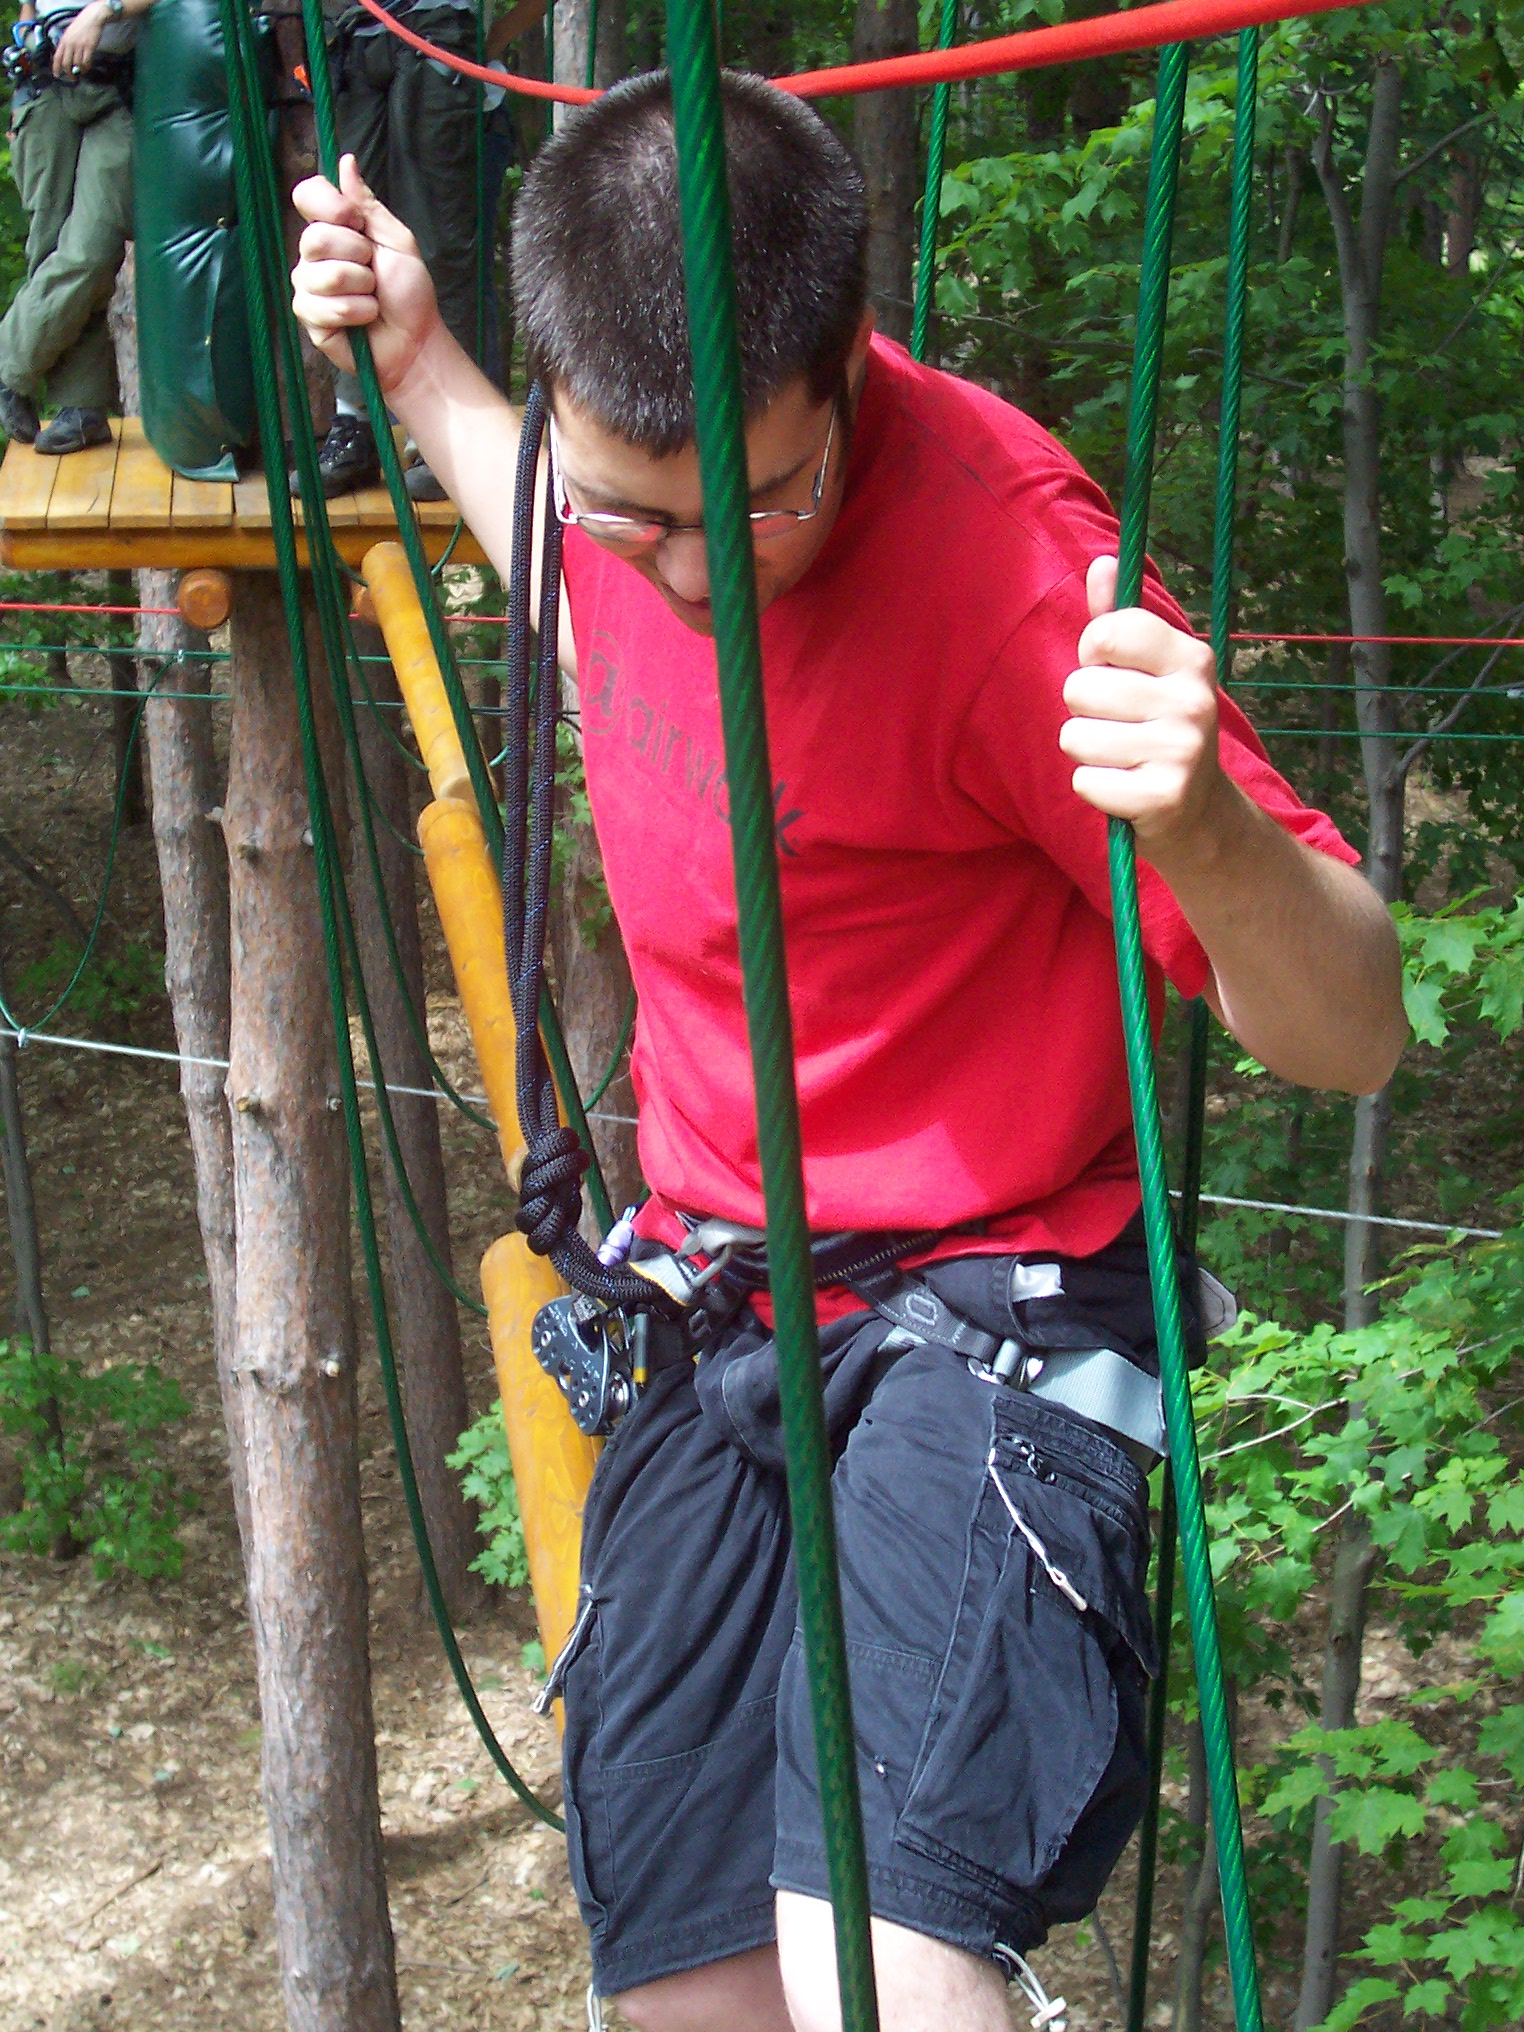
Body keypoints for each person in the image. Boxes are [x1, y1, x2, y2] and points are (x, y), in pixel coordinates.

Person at [291, 71, 1407, 2032]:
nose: (697, 569)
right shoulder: (605, 491)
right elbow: (558, 538)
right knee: (685, 1982)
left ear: (848, 363)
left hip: (995, 1293)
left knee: (872, 1965)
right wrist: (415, 355)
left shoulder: (1010, 578)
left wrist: (1205, 831)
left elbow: (1354, 1027)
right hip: (722, 1288)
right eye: (637, 514)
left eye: (763, 502)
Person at [299, 0, 547, 499]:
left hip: (439, 35)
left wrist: (488, 40)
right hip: (353, 36)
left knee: (441, 247)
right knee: (349, 230)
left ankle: (450, 431)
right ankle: (356, 424)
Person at [0, 0, 150, 454]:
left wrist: (103, 11)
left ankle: (8, 365)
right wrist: (26, 43)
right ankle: (82, 408)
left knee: (90, 251)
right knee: (47, 250)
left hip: (121, 85)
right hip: (43, 87)